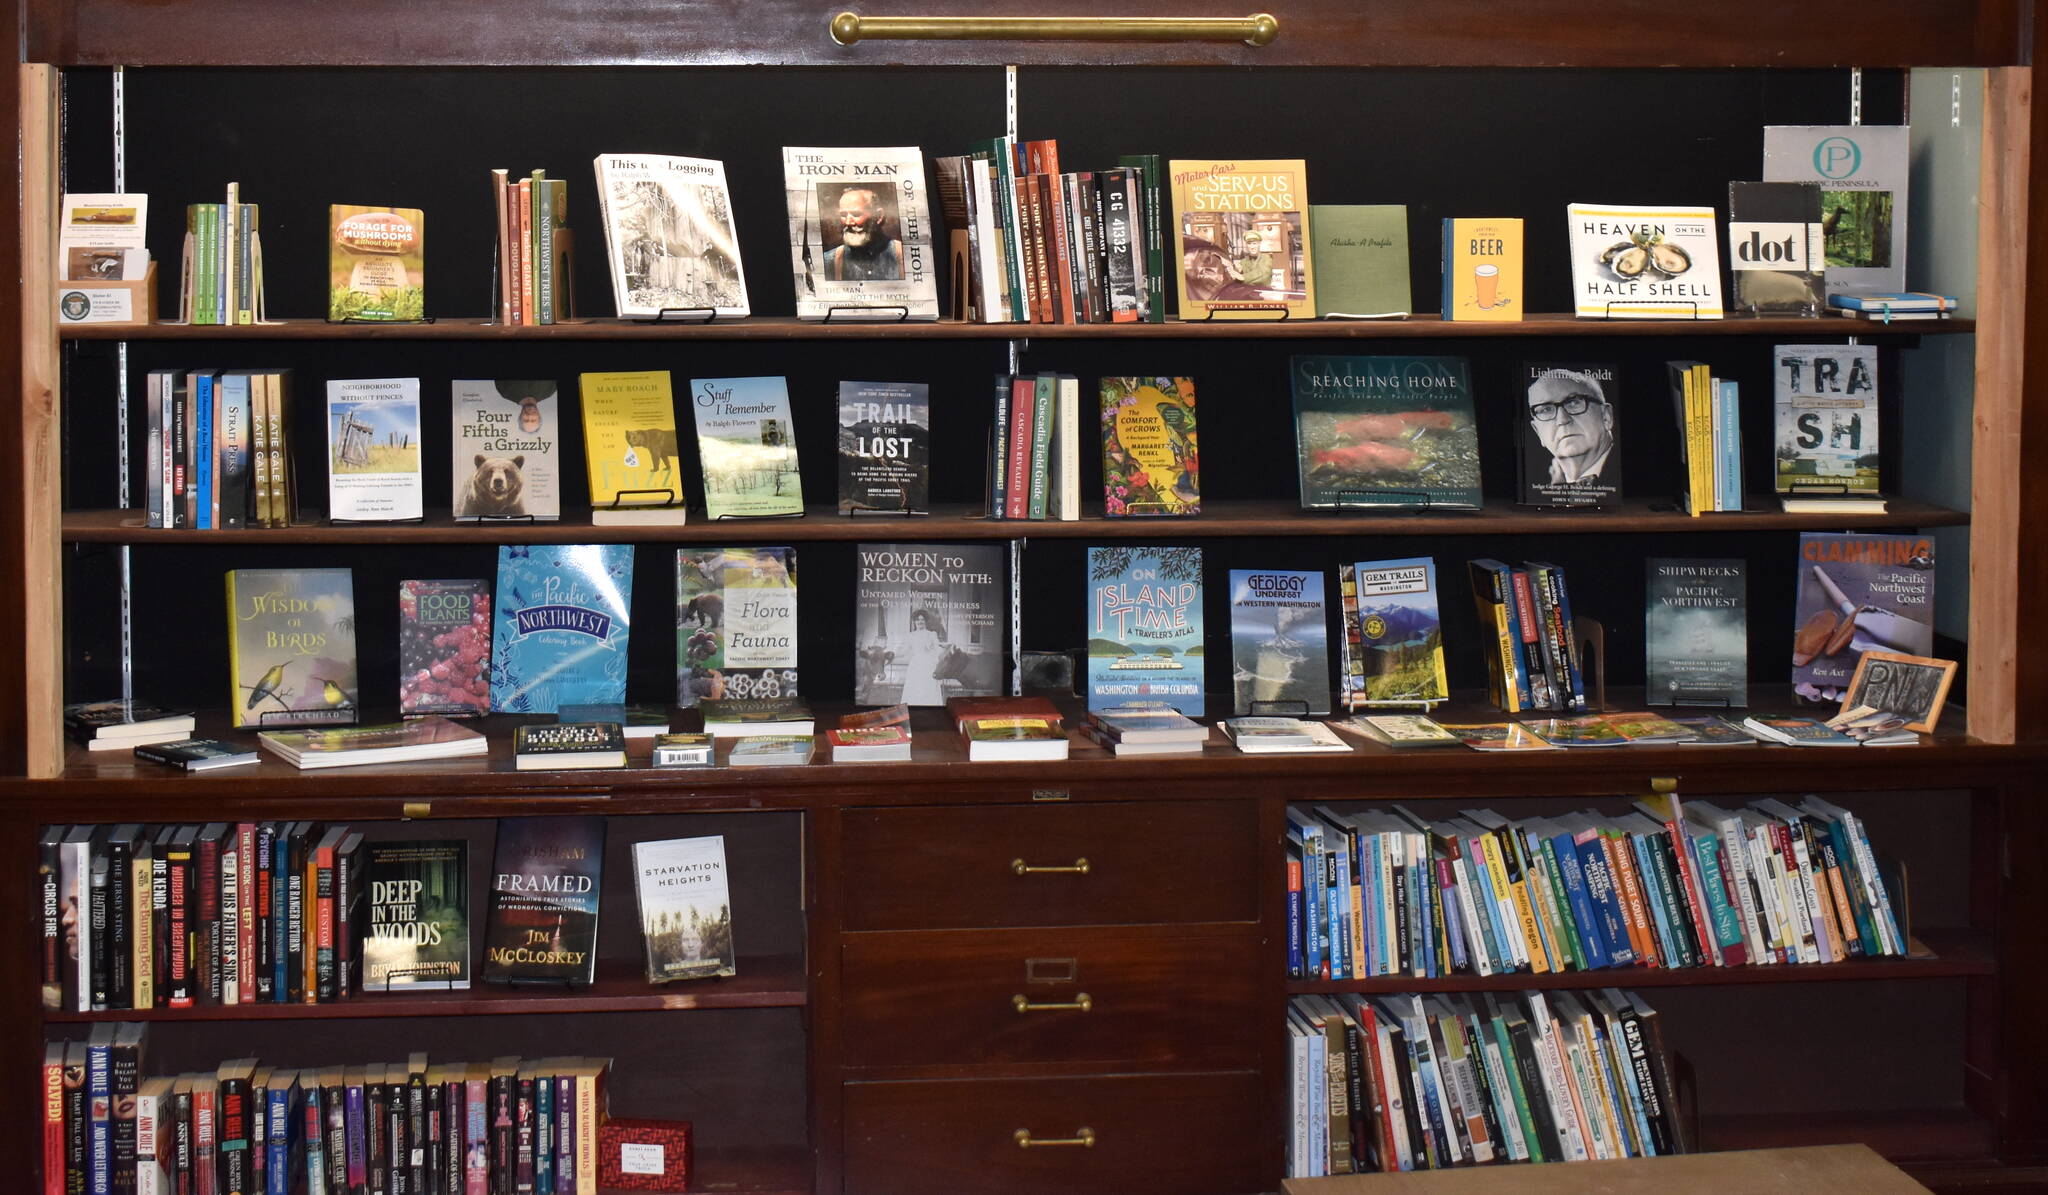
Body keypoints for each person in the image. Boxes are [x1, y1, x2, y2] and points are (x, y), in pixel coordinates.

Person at [1526, 368, 1616, 486]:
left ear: (1606, 416)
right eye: (1546, 409)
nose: (1562, 420)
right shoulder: (1542, 484)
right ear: (1538, 432)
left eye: (1573, 403)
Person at [822, 187, 904, 281]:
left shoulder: (903, 255)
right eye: (843, 215)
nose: (848, 222)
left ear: (878, 216)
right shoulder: (829, 261)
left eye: (856, 214)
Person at [899, 607, 946, 705]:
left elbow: (938, 649)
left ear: (925, 621)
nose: (920, 622)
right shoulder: (910, 636)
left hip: (929, 666)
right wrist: (892, 655)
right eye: (918, 620)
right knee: (915, 690)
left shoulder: (932, 634)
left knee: (928, 689)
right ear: (914, 621)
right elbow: (903, 651)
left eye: (922, 619)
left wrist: (945, 654)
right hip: (915, 666)